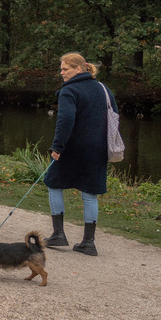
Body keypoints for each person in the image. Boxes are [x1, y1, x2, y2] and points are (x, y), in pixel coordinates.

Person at [44, 53, 116, 256]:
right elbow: (114, 117)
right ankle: (88, 243)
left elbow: (65, 120)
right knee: (90, 192)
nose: (62, 73)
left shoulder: (69, 90)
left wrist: (57, 147)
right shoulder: (104, 89)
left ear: (78, 69)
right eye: (61, 69)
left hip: (73, 148)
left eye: (65, 69)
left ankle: (58, 234)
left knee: (53, 182)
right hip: (98, 148)